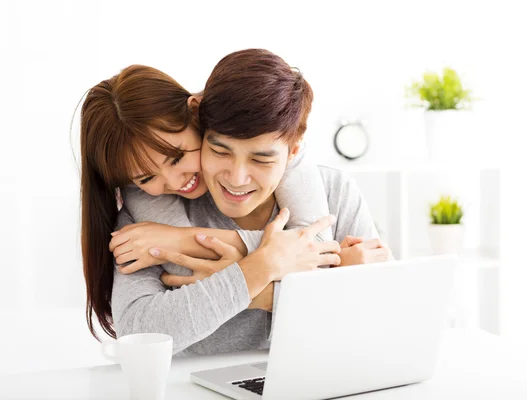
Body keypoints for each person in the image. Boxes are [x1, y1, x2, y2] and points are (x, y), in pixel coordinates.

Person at [105, 49, 392, 355]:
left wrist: (258, 288)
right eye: (220, 152)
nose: (237, 178)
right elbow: (137, 331)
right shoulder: (146, 217)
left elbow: (380, 322)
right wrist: (265, 273)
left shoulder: (334, 191)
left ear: (293, 152)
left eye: (261, 159)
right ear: (201, 130)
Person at [80, 61, 339, 344]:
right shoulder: (140, 221)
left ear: (195, 114)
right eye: (145, 178)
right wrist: (262, 267)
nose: (176, 182)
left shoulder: (330, 188)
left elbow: (328, 264)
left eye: (177, 157)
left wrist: (183, 241)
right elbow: (139, 332)